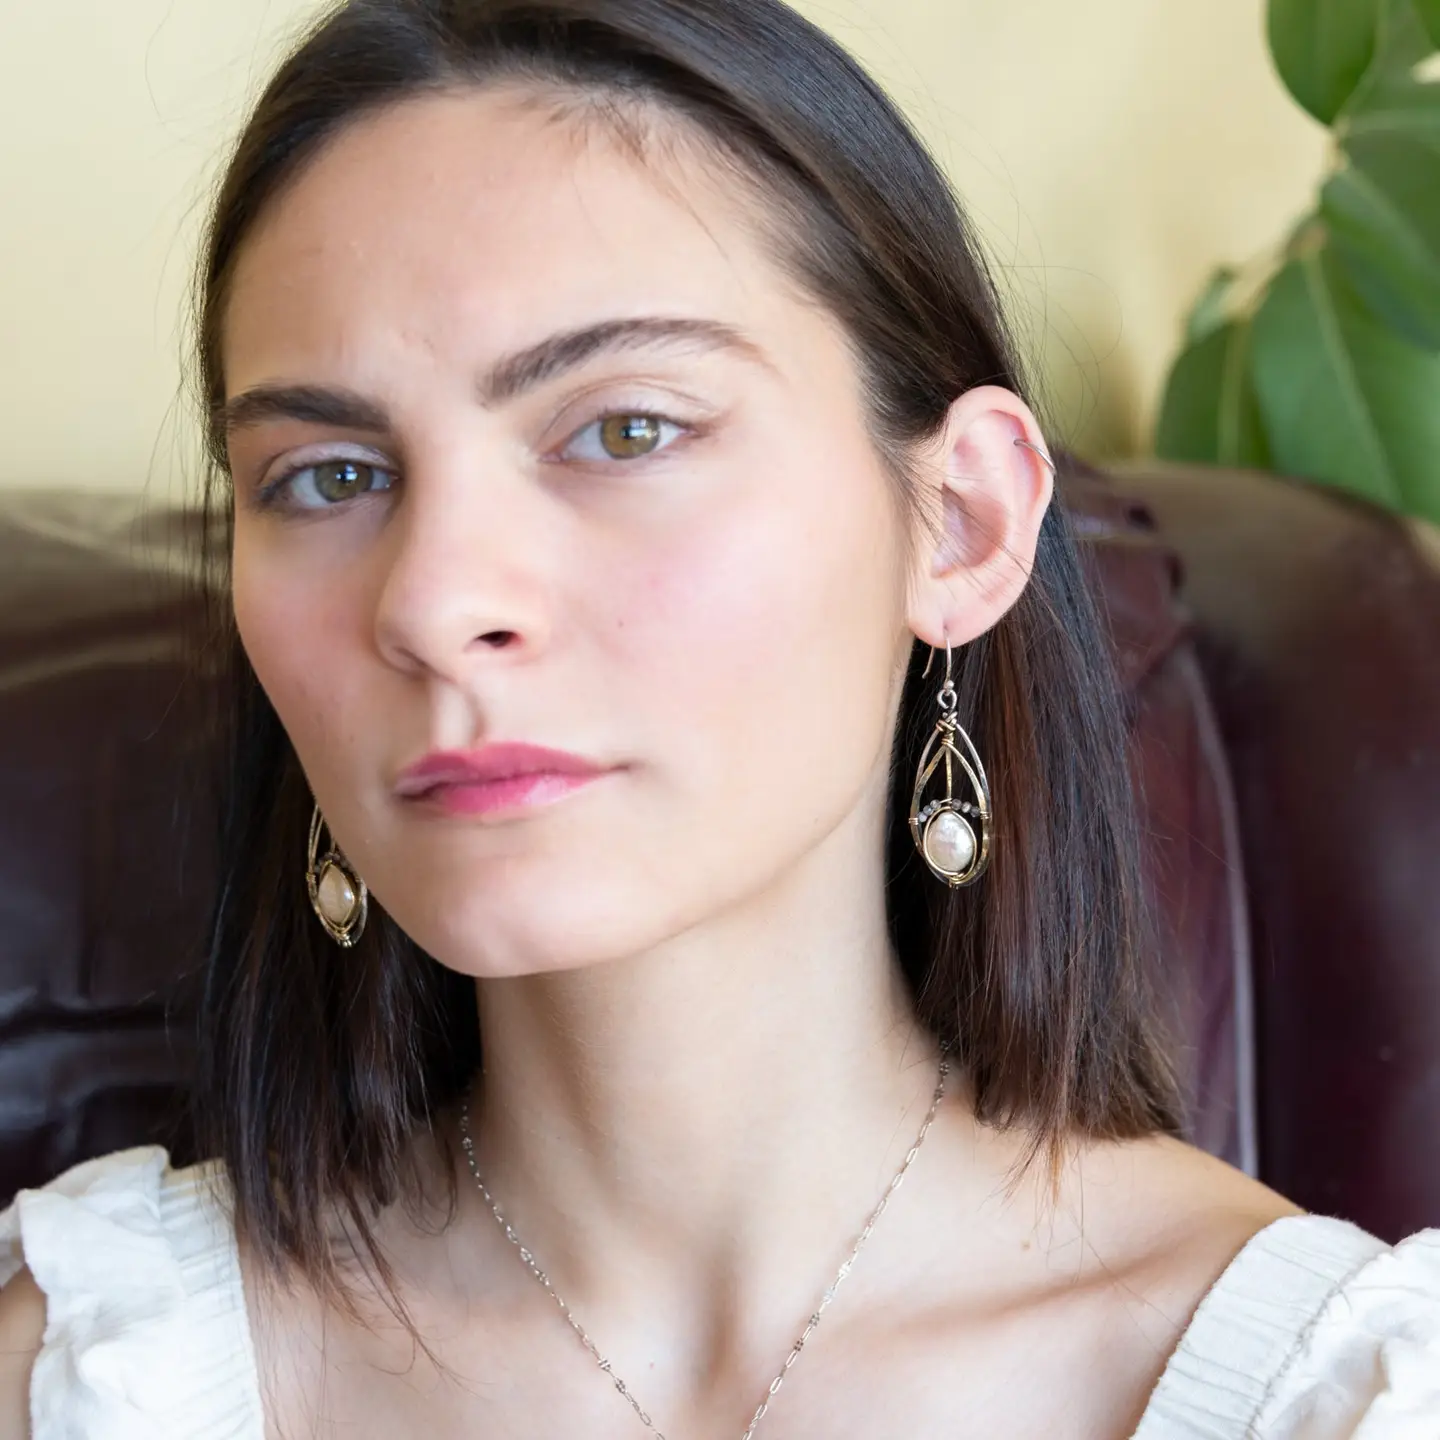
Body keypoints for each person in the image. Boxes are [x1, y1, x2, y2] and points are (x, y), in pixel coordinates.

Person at [1, 0, 1436, 1434]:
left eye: (625, 430)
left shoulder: (1340, 1393)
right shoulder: (98, 1374)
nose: (432, 602)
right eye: (329, 476)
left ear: (962, 520)